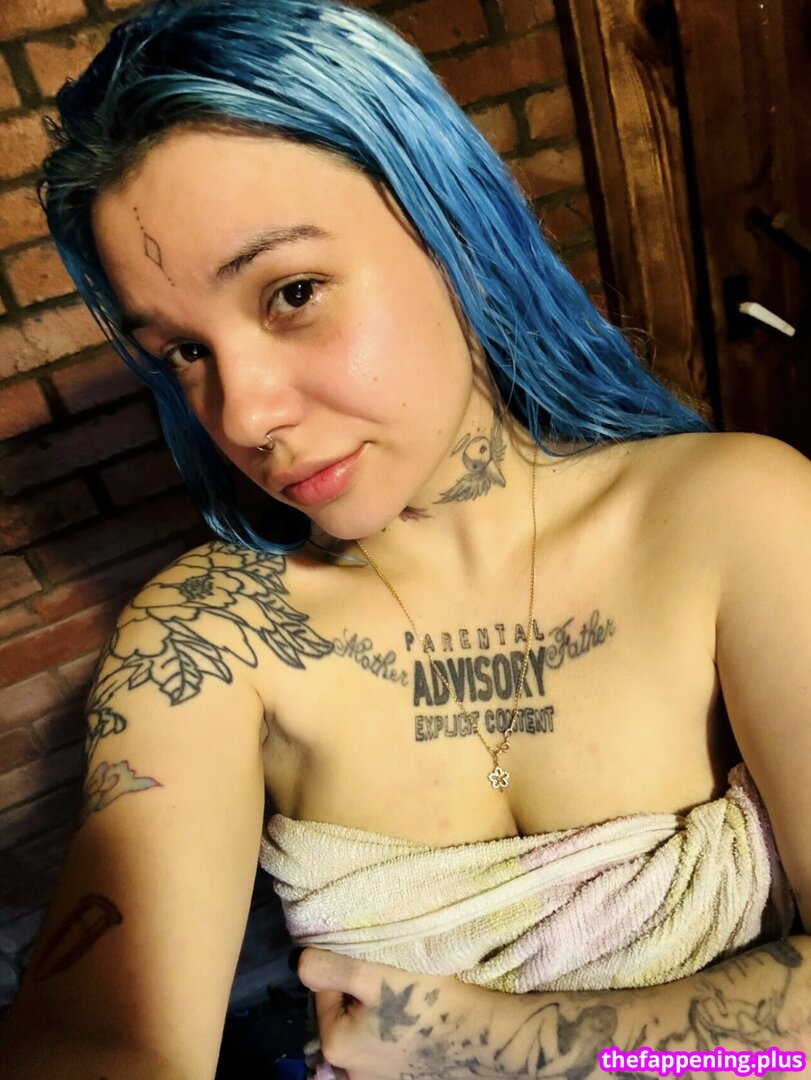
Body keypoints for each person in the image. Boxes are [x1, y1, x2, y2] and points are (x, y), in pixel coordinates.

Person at [1, 0, 809, 1077]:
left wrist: (505, 1046)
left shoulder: (731, 514)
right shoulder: (214, 638)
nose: (244, 415)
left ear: (455, 233)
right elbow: (102, 1029)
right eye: (184, 352)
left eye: (292, 294)